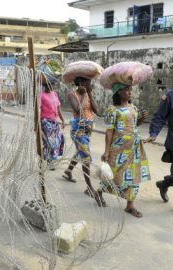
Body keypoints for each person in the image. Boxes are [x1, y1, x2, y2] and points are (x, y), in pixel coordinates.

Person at [95, 83, 150, 217]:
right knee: (113, 174)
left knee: (134, 175)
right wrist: (107, 151)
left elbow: (135, 125)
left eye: (130, 90)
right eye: (126, 90)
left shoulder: (133, 108)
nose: (129, 92)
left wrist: (142, 118)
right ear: (118, 92)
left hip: (134, 148)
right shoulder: (112, 109)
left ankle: (130, 206)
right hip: (118, 149)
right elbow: (109, 131)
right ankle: (99, 192)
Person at [62, 77, 98, 197]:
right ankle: (89, 188)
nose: (90, 84)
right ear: (81, 83)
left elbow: (97, 111)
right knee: (85, 157)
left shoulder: (88, 94)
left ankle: (68, 171)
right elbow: (78, 110)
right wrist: (83, 95)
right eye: (88, 82)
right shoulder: (72, 94)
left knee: (80, 152)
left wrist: (89, 93)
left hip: (87, 129)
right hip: (78, 131)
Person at [146, 89, 173, 202]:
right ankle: (164, 184)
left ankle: (164, 184)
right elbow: (160, 116)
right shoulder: (170, 96)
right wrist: (153, 133)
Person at [39, 81, 65, 169]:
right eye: (49, 84)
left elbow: (58, 108)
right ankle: (49, 161)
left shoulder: (55, 94)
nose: (52, 86)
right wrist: (38, 124)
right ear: (45, 85)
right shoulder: (41, 96)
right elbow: (38, 110)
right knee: (51, 141)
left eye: (52, 84)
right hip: (46, 121)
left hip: (54, 121)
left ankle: (44, 157)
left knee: (59, 140)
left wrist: (63, 119)